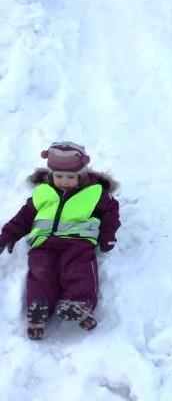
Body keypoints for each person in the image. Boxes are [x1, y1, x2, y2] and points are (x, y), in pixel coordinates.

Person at [0, 142, 120, 340]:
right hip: (44, 244)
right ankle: (38, 308)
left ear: (81, 175)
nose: (64, 181)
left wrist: (108, 236)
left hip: (78, 243)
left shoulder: (95, 192)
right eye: (59, 176)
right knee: (40, 273)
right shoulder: (42, 193)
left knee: (78, 270)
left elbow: (111, 213)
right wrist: (7, 236)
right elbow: (23, 217)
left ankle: (77, 302)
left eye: (70, 177)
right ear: (50, 175)